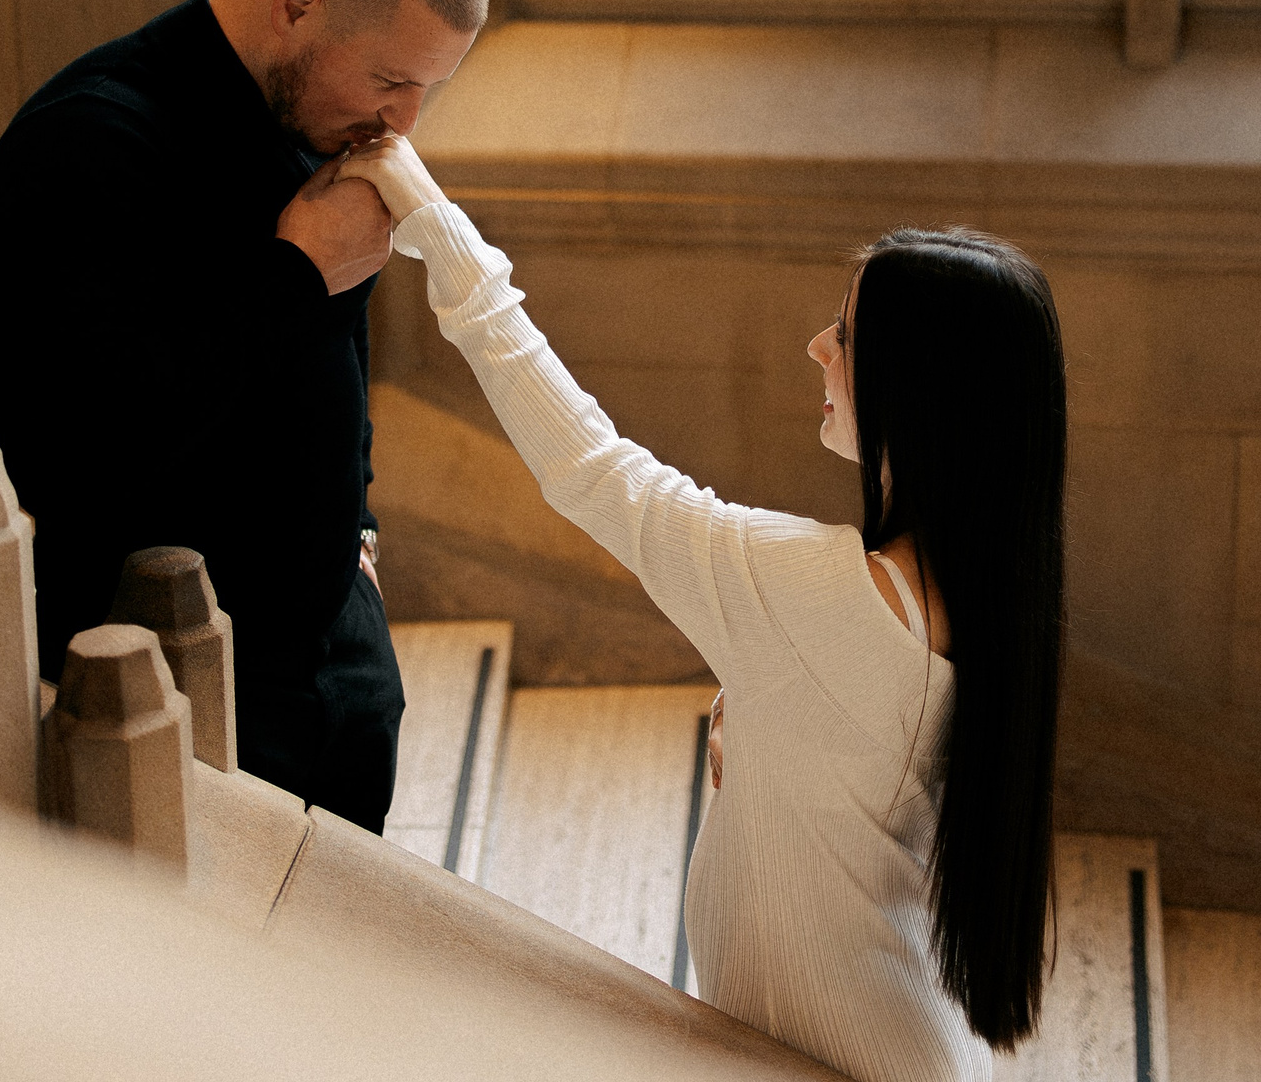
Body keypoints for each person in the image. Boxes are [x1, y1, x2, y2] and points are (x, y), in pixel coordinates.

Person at [342, 137, 1067, 1082]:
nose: (817, 347)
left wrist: (438, 228)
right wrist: (768, 722)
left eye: (846, 336)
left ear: (919, 394)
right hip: (899, 1033)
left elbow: (593, 470)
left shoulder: (821, 595)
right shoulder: (997, 592)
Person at [0, 0, 486, 835]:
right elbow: (84, 453)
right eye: (391, 81)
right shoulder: (84, 146)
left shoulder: (314, 117)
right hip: (194, 684)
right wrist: (295, 273)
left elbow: (338, 350)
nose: (404, 123)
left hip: (337, 654)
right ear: (298, 5)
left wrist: (359, 532)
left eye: (428, 89)